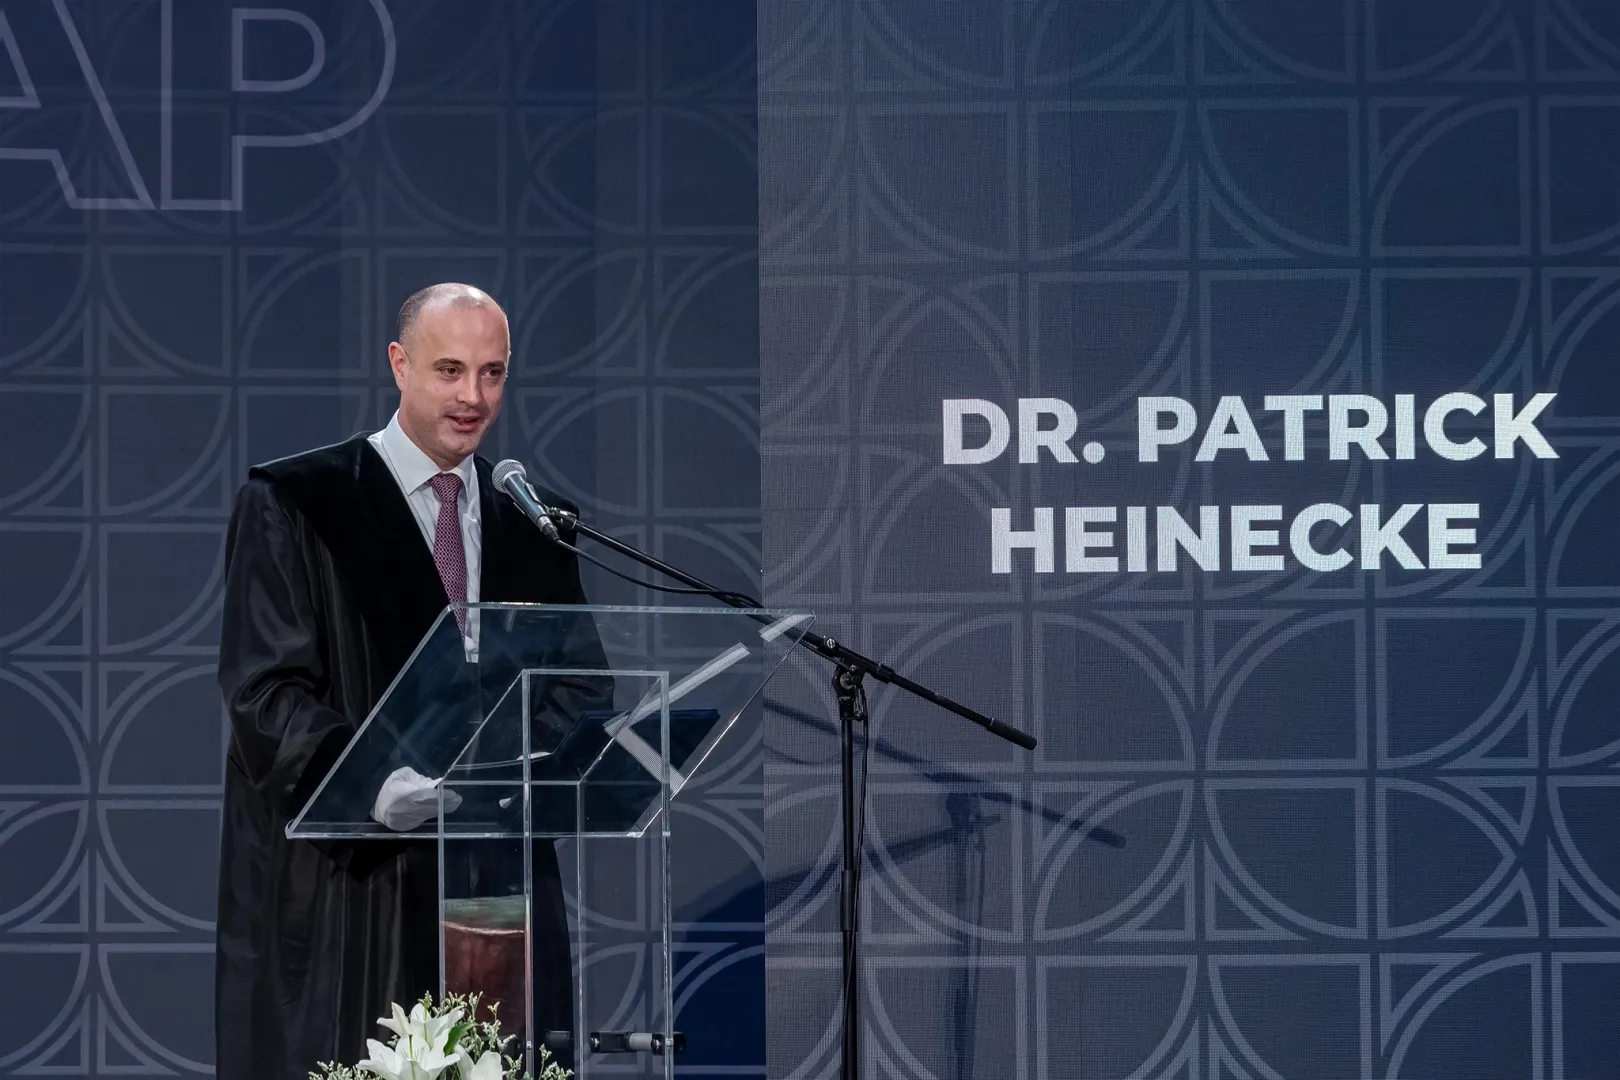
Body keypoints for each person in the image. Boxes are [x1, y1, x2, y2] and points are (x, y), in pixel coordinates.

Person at [214, 284, 605, 1080]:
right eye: (450, 371)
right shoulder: (301, 503)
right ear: (400, 365)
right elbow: (267, 692)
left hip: (491, 893)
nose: (473, 398)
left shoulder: (533, 522)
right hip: (352, 885)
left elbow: (577, 692)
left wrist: (519, 775)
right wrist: (371, 781)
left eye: (493, 374)